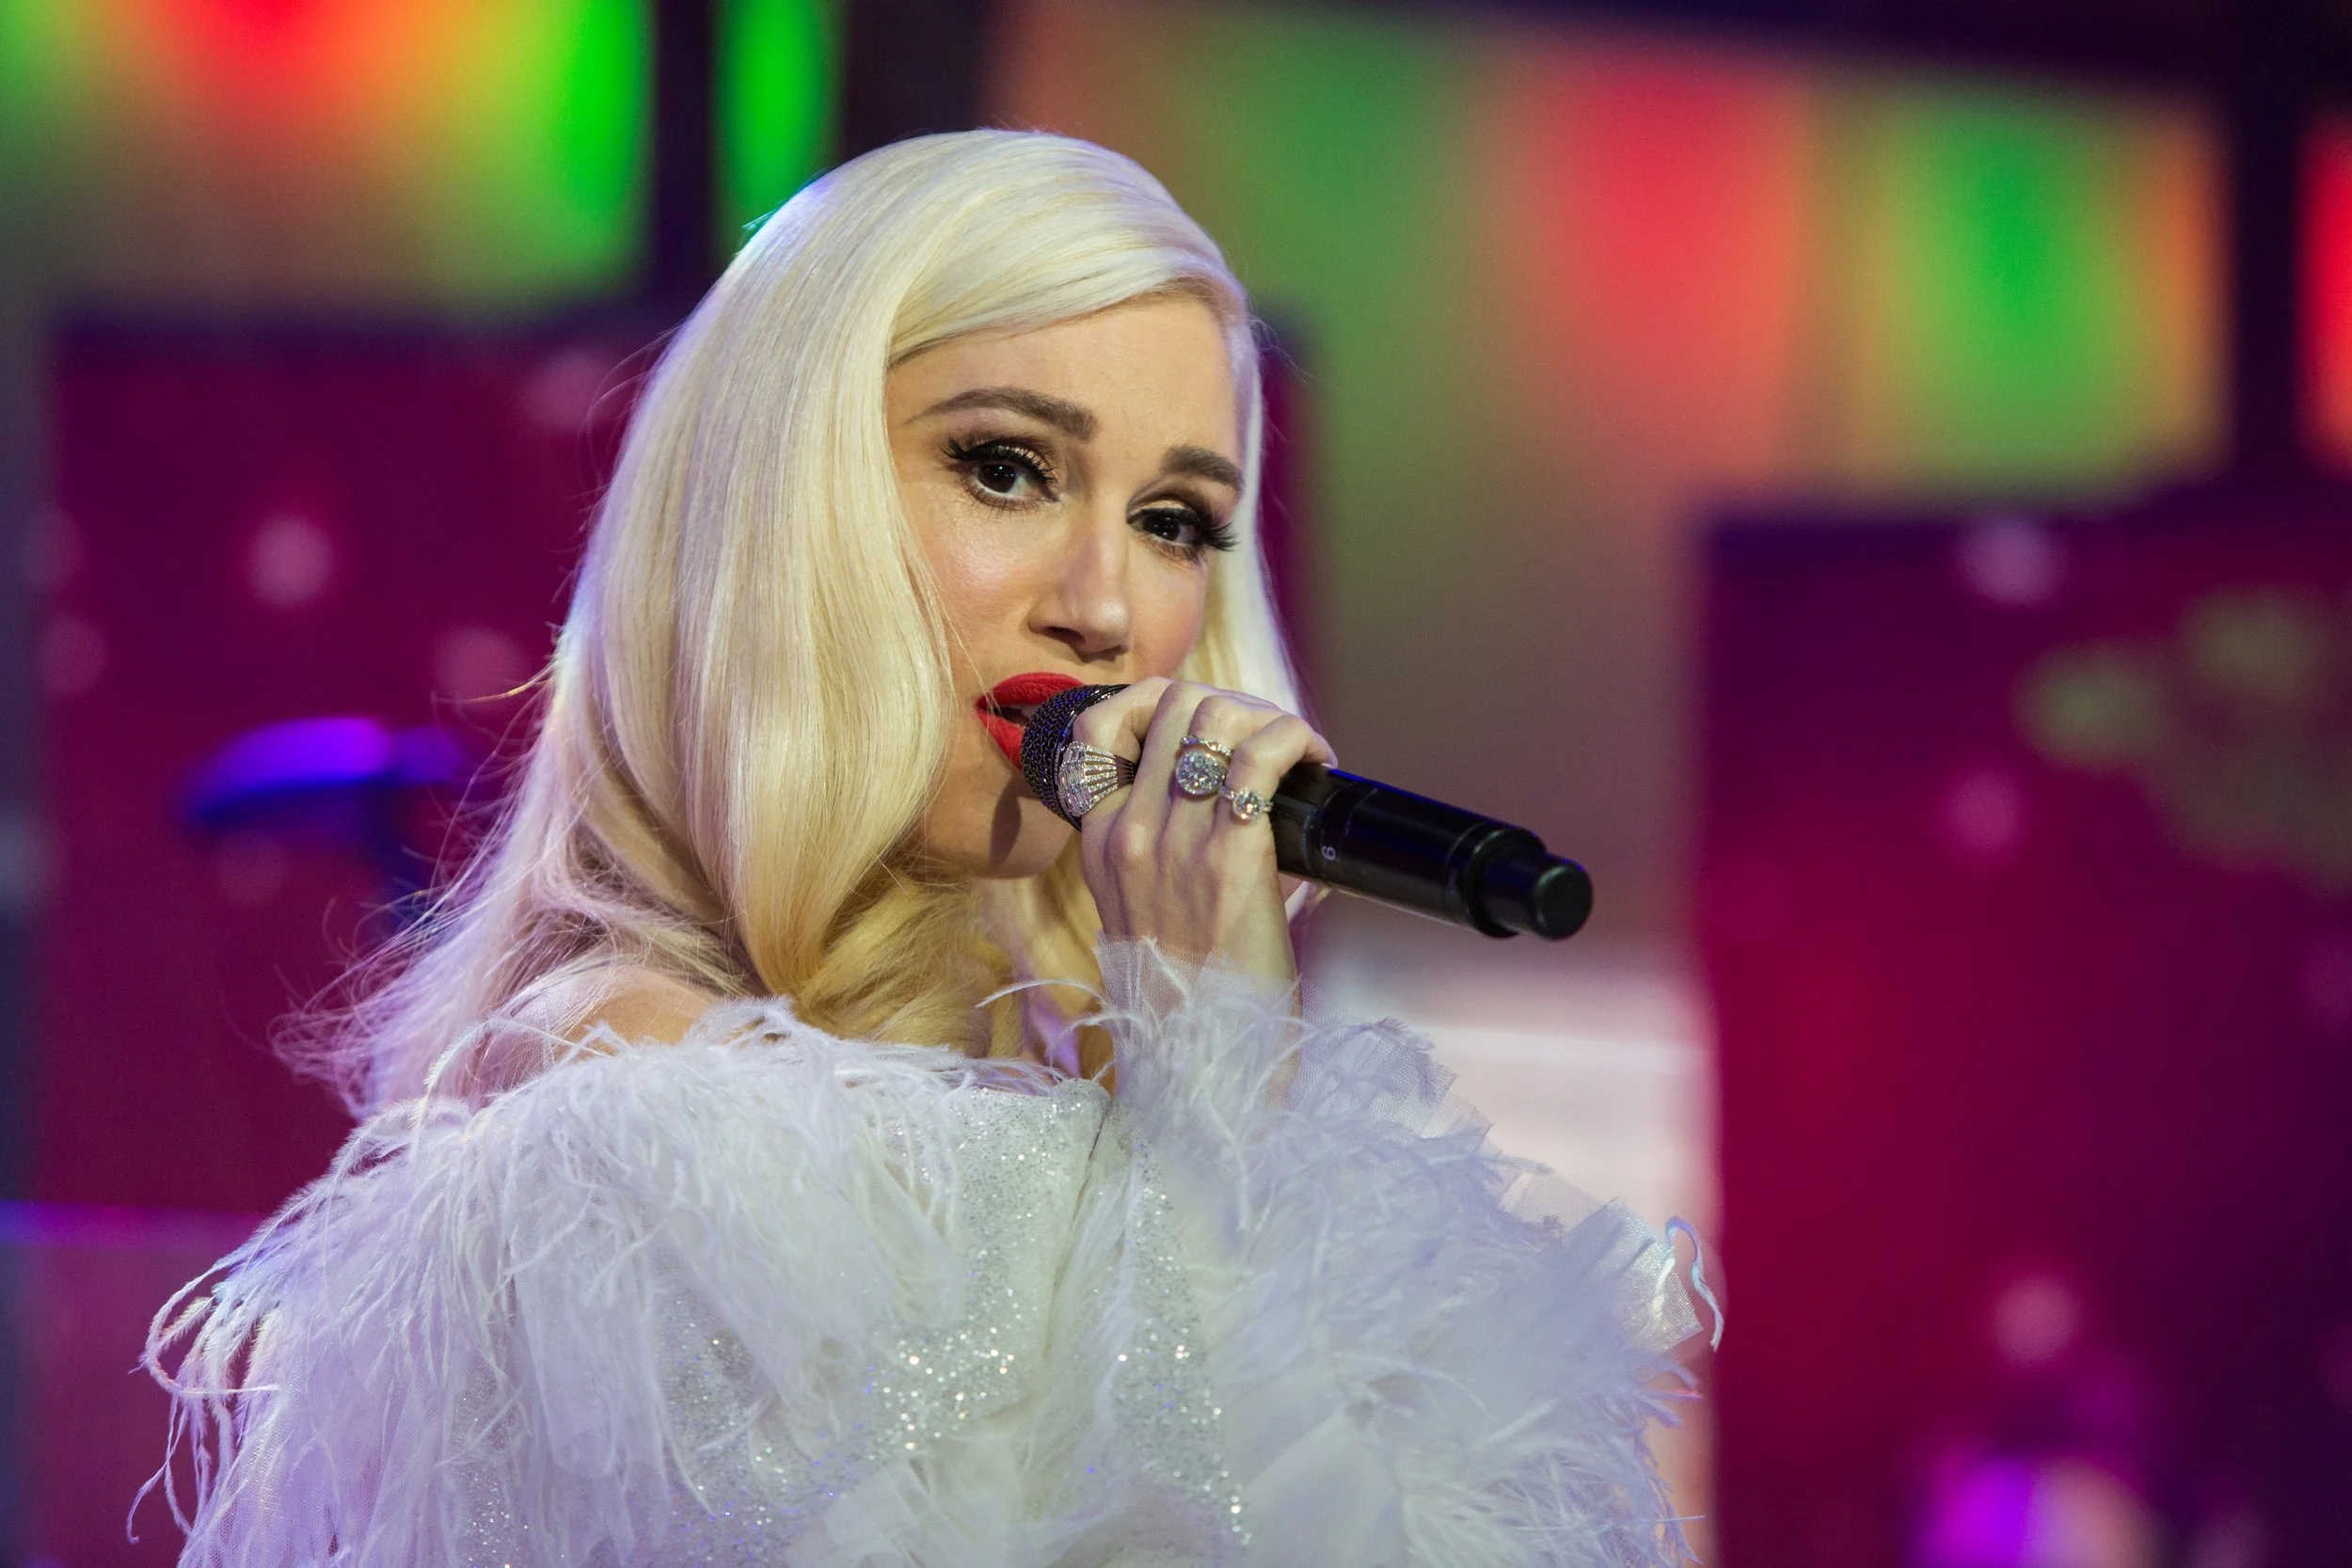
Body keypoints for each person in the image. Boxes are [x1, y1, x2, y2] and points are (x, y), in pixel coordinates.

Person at [145, 130, 1707, 1567]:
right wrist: (1212, 1087)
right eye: (1007, 466)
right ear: (781, 506)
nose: (1102, 603)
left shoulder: (1086, 1083)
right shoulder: (629, 1109)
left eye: (1174, 517)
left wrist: (1206, 1076)